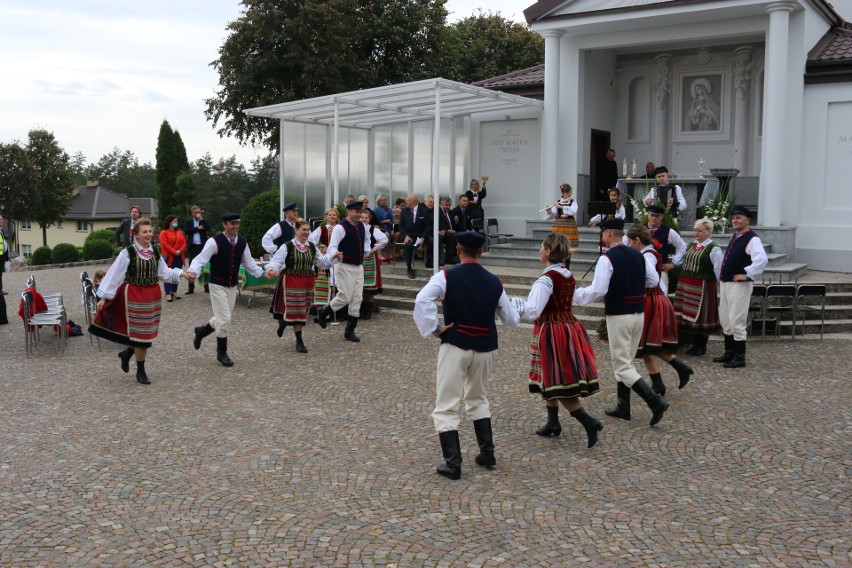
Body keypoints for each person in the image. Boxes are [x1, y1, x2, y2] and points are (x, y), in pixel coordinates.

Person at [414, 231, 519, 480]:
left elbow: (422, 299)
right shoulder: (494, 281)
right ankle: (487, 453)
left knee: (447, 403)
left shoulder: (446, 276)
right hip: (486, 347)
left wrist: (435, 329)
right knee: (477, 396)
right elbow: (511, 318)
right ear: (481, 252)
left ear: (458, 249)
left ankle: (453, 463)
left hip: (456, 344)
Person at [574, 218, 669, 426]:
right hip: (638, 313)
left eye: (602, 234)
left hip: (619, 314)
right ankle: (623, 406)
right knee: (626, 360)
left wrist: (575, 295)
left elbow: (598, 290)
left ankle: (655, 401)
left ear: (608, 233)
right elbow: (653, 281)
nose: (602, 238)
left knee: (622, 365)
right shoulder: (638, 255)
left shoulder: (607, 258)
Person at [511, 233, 602, 448]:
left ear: (549, 251)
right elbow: (575, 297)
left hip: (552, 331)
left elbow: (533, 311)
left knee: (557, 382)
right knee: (550, 377)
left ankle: (589, 422)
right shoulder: (566, 274)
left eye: (542, 247)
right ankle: (553, 423)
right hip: (568, 327)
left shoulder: (546, 279)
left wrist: (511, 305)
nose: (539, 250)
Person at [89, 217, 190, 385]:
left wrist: (182, 274)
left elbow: (164, 274)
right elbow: (115, 275)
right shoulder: (127, 253)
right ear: (136, 234)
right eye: (145, 232)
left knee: (144, 333)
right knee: (140, 335)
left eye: (150, 231)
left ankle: (127, 353)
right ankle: (141, 371)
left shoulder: (155, 252)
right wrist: (104, 297)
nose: (149, 234)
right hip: (134, 296)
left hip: (152, 297)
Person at [188, 213, 276, 367]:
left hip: (232, 285)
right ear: (224, 224)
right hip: (217, 284)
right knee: (224, 319)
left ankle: (201, 331)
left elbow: (249, 263)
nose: (234, 226)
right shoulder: (214, 241)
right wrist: (193, 271)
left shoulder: (242, 242)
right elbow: (200, 259)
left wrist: (263, 272)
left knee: (223, 317)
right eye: (231, 223)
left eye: (236, 223)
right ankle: (221, 352)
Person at [626, 225, 694, 398]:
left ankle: (660, 383)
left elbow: (650, 279)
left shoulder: (647, 256)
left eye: (629, 241)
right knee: (649, 346)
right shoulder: (649, 253)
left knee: (647, 345)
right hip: (655, 298)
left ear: (637, 241)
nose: (628, 244)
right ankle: (674, 373)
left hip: (651, 300)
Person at [713, 205, 767, 368]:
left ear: (747, 220)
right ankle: (729, 352)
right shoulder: (735, 236)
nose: (735, 220)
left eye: (739, 218)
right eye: (734, 218)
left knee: (737, 318)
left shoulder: (752, 238)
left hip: (739, 285)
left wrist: (748, 274)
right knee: (726, 318)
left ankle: (739, 357)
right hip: (727, 283)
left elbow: (762, 259)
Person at [267, 218, 331, 353]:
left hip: (307, 282)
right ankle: (299, 341)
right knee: (297, 310)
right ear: (296, 231)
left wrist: (334, 258)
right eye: (304, 229)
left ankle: (284, 322)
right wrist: (273, 269)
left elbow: (322, 264)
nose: (307, 232)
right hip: (291, 281)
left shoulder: (312, 247)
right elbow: (277, 262)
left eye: (308, 230)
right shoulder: (287, 246)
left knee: (303, 309)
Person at [315, 201, 371, 342]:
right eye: (355, 212)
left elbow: (367, 240)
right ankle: (324, 311)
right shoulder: (340, 227)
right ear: (348, 212)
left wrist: (366, 250)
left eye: (360, 212)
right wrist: (336, 254)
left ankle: (350, 330)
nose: (358, 214)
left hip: (358, 266)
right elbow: (332, 246)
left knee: (357, 298)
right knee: (345, 296)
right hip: (344, 265)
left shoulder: (363, 226)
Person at [674, 217, 723, 356]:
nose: (696, 233)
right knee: (687, 315)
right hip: (687, 285)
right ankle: (694, 343)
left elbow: (718, 270)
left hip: (703, 286)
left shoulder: (714, 249)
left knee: (702, 316)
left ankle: (701, 346)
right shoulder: (690, 245)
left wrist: (717, 283)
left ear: (708, 232)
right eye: (695, 230)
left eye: (700, 231)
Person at [632, 204, 687, 293]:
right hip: (640, 271)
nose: (654, 218)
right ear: (648, 215)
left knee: (661, 298)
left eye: (657, 216)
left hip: (660, 271)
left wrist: (674, 263)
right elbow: (627, 243)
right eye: (652, 215)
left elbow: (682, 246)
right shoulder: (639, 229)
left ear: (662, 217)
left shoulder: (668, 231)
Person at [359, 207, 389, 320]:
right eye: (361, 217)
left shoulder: (373, 229)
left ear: (369, 219)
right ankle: (361, 311)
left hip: (370, 260)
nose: (363, 219)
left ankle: (368, 312)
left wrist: (374, 248)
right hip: (359, 260)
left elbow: (384, 239)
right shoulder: (356, 228)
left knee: (369, 289)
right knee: (360, 288)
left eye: (365, 218)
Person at [308, 207, 340, 309]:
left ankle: (336, 309)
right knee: (325, 284)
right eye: (329, 215)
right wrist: (319, 247)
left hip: (339, 259)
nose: (332, 216)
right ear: (326, 217)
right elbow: (311, 242)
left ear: (337, 217)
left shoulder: (341, 228)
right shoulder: (321, 229)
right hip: (325, 260)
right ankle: (323, 309)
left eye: (334, 215)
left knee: (337, 284)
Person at [183, 205, 212, 294]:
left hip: (202, 247)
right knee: (192, 267)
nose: (197, 214)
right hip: (193, 246)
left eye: (199, 212)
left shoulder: (203, 221)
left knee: (205, 266)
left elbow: (209, 229)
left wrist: (201, 219)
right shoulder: (189, 222)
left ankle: (206, 286)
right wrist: (197, 228)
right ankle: (191, 288)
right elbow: (187, 231)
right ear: (192, 213)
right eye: (195, 212)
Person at [543, 183, 579, 255]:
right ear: (565, 193)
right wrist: (549, 211)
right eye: (569, 192)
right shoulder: (558, 201)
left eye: (570, 192)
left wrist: (561, 207)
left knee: (568, 247)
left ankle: (567, 265)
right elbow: (554, 214)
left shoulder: (573, 202)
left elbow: (573, 211)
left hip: (569, 226)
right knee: (558, 246)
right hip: (559, 225)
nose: (570, 194)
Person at [399, 194, 428, 279]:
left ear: (414, 202)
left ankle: (431, 264)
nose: (406, 203)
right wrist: (405, 236)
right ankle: (409, 268)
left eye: (407, 201)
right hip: (409, 236)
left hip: (421, 236)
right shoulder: (404, 211)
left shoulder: (424, 211)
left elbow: (428, 226)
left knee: (432, 241)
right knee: (408, 245)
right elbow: (401, 225)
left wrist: (423, 237)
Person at [158, 215, 186, 302]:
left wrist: (180, 251)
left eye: (176, 221)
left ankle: (174, 291)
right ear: (169, 222)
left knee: (177, 274)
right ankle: (167, 293)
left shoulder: (179, 232)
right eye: (174, 221)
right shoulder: (164, 232)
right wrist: (174, 252)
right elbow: (164, 244)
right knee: (169, 274)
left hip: (179, 257)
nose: (176, 223)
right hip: (170, 257)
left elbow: (184, 243)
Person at [436, 197, 459, 265]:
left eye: (449, 205)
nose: (448, 207)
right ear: (441, 204)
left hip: (451, 231)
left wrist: (456, 219)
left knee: (460, 235)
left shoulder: (450, 212)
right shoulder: (437, 211)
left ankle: (456, 257)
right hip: (442, 232)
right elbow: (438, 223)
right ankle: (448, 258)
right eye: (446, 205)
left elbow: (452, 222)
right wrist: (447, 230)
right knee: (451, 235)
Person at [373, 194, 394, 259]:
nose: (384, 201)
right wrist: (384, 221)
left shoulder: (389, 209)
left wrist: (390, 222)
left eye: (385, 199)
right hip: (381, 228)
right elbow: (375, 222)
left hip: (389, 227)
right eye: (382, 200)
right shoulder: (376, 210)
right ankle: (386, 253)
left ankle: (393, 253)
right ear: (378, 202)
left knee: (395, 234)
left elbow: (392, 220)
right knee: (386, 235)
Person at [0, 213, 8, 296]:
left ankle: (0, 289)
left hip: (2, 255)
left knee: (0, 273)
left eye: (2, 219)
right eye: (0, 219)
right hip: (0, 255)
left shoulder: (1, 229)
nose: (2, 221)